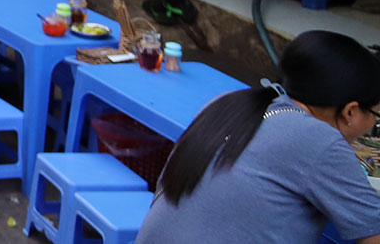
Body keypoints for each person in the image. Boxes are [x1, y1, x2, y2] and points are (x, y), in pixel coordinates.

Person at [139, 30, 380, 242]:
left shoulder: (227, 104)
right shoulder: (320, 141)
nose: (372, 125)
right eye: (375, 116)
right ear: (350, 111)